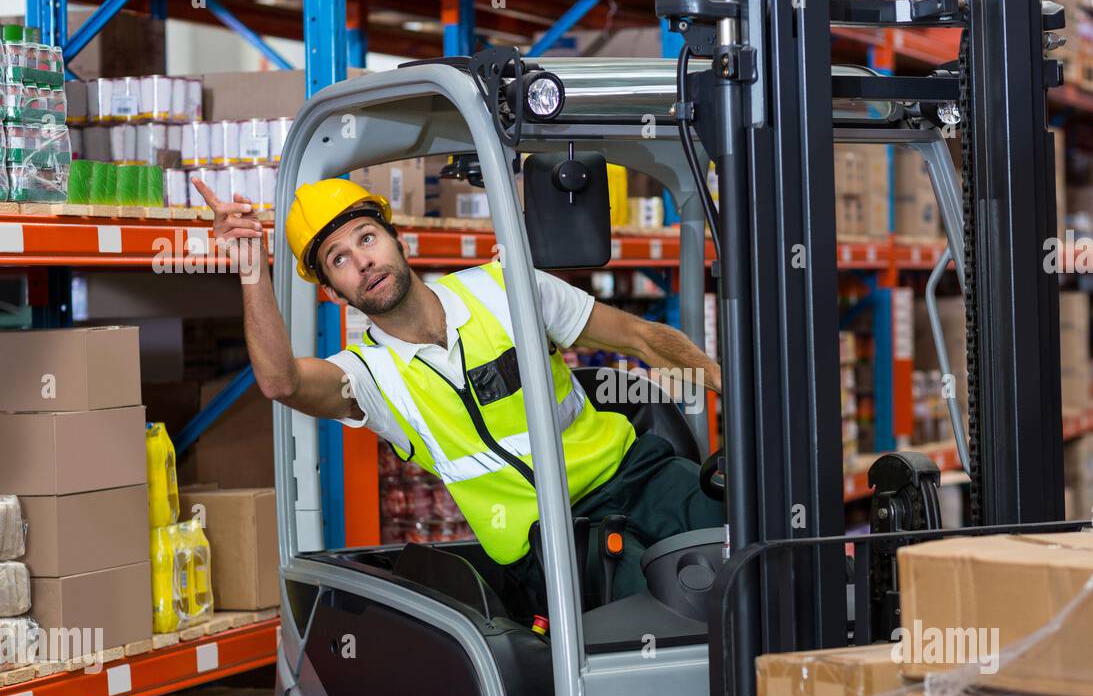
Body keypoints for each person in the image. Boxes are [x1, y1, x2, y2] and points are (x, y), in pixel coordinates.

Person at [193, 176, 723, 613]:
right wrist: (249, 267)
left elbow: (642, 338)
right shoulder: (373, 380)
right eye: (338, 259)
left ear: (398, 241)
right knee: (656, 624)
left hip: (637, 474)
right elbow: (280, 382)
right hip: (553, 543)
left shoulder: (507, 287)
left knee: (748, 545)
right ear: (333, 291)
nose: (363, 261)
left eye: (366, 237)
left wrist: (732, 386)